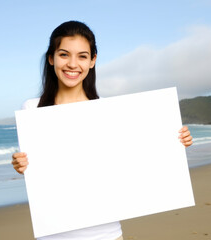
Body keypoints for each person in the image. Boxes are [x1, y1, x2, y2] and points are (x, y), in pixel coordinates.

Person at [12, 20, 193, 240]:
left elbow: (137, 158)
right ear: (51, 58)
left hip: (106, 233)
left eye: (82, 56)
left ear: (92, 61)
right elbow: (43, 174)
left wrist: (175, 141)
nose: (72, 64)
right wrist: (22, 166)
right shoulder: (32, 109)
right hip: (54, 232)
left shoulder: (108, 110)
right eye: (63, 54)